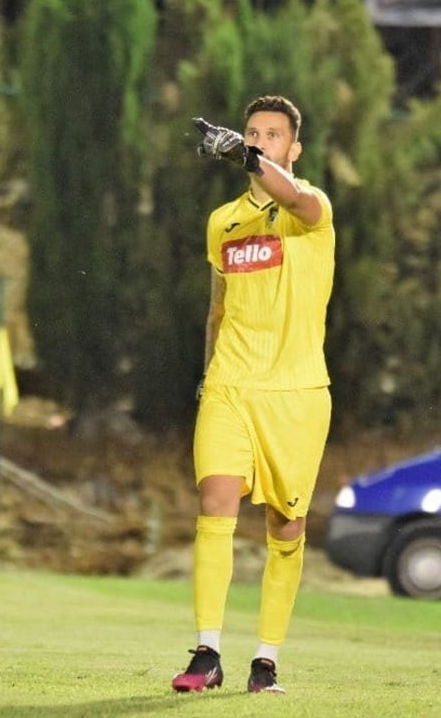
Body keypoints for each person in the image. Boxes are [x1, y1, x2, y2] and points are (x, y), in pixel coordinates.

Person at [172, 96, 334, 695]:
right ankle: (206, 653)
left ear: (293, 149)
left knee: (286, 526)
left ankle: (265, 660)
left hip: (296, 393)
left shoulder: (313, 208)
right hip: (230, 386)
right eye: (251, 134)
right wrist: (207, 372)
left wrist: (246, 157)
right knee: (215, 502)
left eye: (273, 135)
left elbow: (293, 198)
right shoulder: (222, 221)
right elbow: (216, 309)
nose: (261, 141)